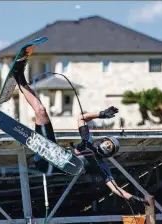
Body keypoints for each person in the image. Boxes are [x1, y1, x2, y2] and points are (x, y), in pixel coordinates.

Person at [12, 61, 146, 204]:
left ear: (109, 154)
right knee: (41, 111)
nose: (107, 146)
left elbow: (115, 189)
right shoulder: (87, 141)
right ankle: (19, 77)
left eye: (109, 149)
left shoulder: (101, 167)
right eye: (108, 143)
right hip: (50, 148)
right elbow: (82, 118)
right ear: (103, 140)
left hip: (47, 165)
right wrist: (101, 114)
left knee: (42, 115)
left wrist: (135, 198)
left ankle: (19, 77)